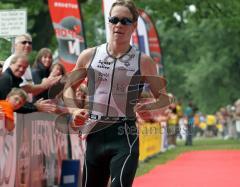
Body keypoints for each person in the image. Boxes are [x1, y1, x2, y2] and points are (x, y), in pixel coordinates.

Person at [63, 1, 171, 186]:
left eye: (125, 21)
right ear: (109, 22)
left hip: (124, 134)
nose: (118, 25)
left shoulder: (144, 62)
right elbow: (68, 88)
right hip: (95, 133)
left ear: (134, 26)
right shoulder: (89, 56)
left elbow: (163, 98)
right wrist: (74, 111)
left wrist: (151, 110)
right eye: (114, 20)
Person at [2, 34, 60, 100]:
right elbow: (26, 89)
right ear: (15, 46)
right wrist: (46, 84)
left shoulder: (25, 62)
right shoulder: (12, 60)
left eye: (30, 43)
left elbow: (29, 88)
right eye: (24, 42)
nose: (27, 45)